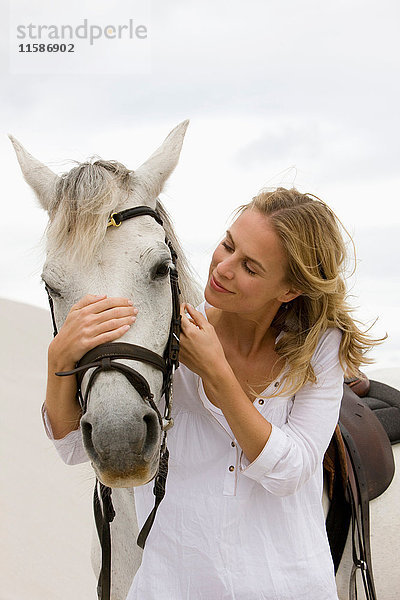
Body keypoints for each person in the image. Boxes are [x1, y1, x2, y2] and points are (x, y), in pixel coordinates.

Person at [43, 187, 379, 599]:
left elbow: (291, 471)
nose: (223, 268)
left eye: (251, 268)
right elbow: (76, 446)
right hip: (172, 587)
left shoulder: (319, 346)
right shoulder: (164, 331)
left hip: (289, 585)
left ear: (289, 290)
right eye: (228, 245)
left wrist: (216, 373)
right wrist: (59, 357)